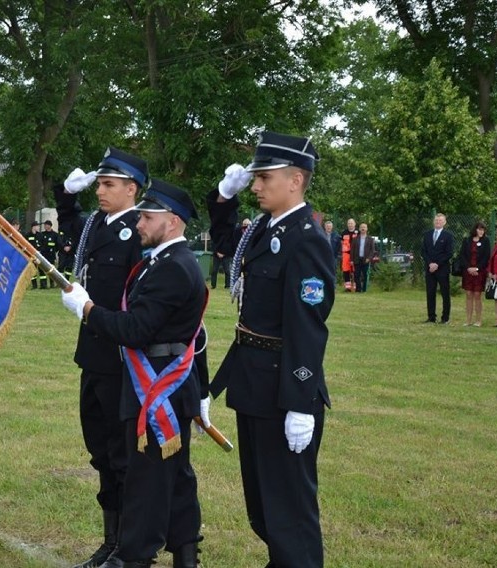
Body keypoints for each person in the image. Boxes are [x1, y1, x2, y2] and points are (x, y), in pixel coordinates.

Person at [61, 179, 207, 568]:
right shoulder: (159, 261)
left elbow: (135, 330)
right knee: (173, 477)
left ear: (172, 222)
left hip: (159, 387)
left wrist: (87, 309)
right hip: (159, 383)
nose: (139, 223)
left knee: (148, 481)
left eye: (147, 216)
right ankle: (186, 555)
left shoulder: (174, 267)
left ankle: (132, 557)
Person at [208, 131, 334, 567]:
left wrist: (300, 400)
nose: (255, 185)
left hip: (284, 393)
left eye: (263, 177)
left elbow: (307, 326)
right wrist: (225, 196)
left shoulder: (306, 238)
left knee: (290, 512)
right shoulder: (265, 228)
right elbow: (223, 243)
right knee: (263, 506)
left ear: (296, 179)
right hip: (255, 384)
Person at [54, 147, 147, 568]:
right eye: (98, 184)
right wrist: (66, 193)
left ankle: (128, 548)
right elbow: (69, 223)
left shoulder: (139, 232)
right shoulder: (95, 224)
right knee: (99, 452)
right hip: (92, 354)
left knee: (120, 453)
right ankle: (110, 542)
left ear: (132, 189)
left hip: (122, 359)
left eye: (109, 185)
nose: (100, 192)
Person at [422, 213, 455, 324]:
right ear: (433, 221)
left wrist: (437, 264)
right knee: (430, 293)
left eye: (440, 221)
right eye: (436, 220)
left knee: (445, 293)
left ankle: (445, 318)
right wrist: (430, 263)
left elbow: (449, 253)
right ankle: (431, 317)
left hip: (442, 269)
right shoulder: (427, 234)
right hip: (429, 269)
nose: (438, 222)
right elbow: (423, 251)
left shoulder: (448, 236)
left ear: (444, 222)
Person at [458, 222, 491, 326]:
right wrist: (468, 268)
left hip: (479, 272)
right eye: (480, 229)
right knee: (468, 294)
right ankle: (468, 320)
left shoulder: (486, 241)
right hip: (468, 271)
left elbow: (486, 257)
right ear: (475, 230)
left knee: (477, 295)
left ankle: (478, 320)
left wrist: (476, 268)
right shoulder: (467, 240)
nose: (482, 231)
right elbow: (462, 255)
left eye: (483, 230)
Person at [349, 222, 376, 293]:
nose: (363, 228)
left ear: (367, 229)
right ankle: (358, 289)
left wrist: (369, 258)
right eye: (361, 227)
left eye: (364, 227)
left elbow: (372, 251)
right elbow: (352, 250)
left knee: (365, 276)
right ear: (359, 229)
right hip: (357, 259)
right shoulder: (355, 239)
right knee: (356, 275)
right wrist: (351, 260)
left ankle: (364, 290)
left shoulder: (370, 239)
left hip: (366, 260)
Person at [38, 220, 61, 289]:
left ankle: (52, 283)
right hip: (43, 255)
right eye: (44, 225)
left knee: (51, 270)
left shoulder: (55, 235)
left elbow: (58, 245)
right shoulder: (42, 234)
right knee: (41, 269)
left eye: (46, 225)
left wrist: (54, 250)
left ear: (50, 226)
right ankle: (43, 284)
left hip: (51, 255)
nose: (45, 226)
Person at [340, 218, 357, 291]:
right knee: (346, 271)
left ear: (355, 224)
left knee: (355, 271)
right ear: (347, 224)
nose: (350, 225)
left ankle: (356, 286)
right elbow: (341, 243)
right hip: (346, 254)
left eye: (351, 223)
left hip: (355, 254)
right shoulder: (344, 232)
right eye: (349, 223)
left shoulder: (358, 232)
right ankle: (348, 288)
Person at [25, 222, 42, 289]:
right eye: (37, 226)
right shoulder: (28, 235)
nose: (38, 228)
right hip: (31, 255)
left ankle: (43, 285)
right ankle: (34, 285)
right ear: (33, 227)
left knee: (41, 270)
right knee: (32, 270)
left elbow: (43, 244)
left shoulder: (40, 235)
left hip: (39, 255)